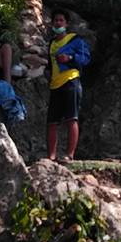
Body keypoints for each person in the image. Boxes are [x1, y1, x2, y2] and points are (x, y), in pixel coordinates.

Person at [46, 9, 90, 162]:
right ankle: (51, 156)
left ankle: (69, 155)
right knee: (52, 122)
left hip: (71, 81)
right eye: (55, 20)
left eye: (61, 21)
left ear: (66, 23)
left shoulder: (75, 40)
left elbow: (85, 59)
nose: (58, 23)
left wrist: (70, 57)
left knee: (72, 118)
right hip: (55, 85)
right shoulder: (51, 43)